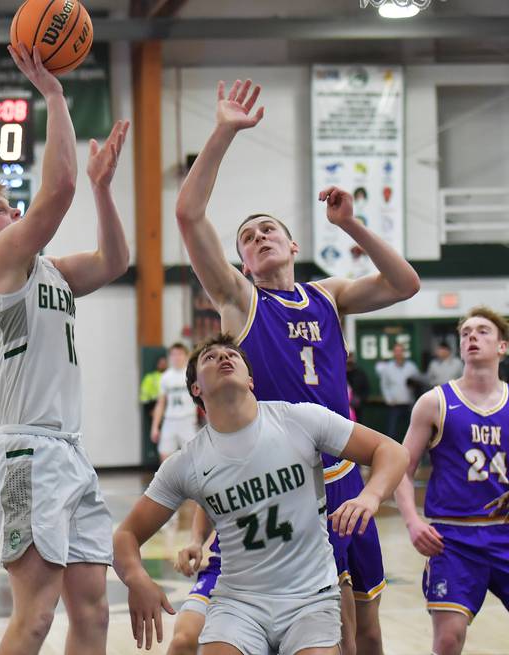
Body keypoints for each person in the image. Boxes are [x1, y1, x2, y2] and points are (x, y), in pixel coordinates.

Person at [172, 77, 420, 655]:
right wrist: (224, 132)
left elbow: (406, 284)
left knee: (371, 625)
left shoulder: (327, 293)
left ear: (290, 244)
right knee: (330, 630)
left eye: (269, 231)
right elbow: (187, 214)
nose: (259, 238)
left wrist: (352, 227)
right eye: (248, 238)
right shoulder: (241, 300)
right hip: (288, 476)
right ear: (243, 262)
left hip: (346, 467)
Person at [0, 43, 130, 655]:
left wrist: (103, 189)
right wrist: (52, 94)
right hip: (28, 454)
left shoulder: (49, 270)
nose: (13, 211)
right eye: (0, 210)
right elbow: (58, 186)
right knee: (37, 616)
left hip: (71, 452)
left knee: (94, 616)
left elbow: (115, 262)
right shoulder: (0, 265)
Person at [113, 334, 409, 654]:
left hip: (309, 598)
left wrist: (370, 495)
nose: (223, 358)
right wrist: (136, 578)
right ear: (196, 389)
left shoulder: (300, 419)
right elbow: (126, 534)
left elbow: (391, 451)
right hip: (239, 603)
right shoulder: (187, 462)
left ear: (250, 380)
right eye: (210, 358)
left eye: (232, 355)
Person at [394, 306, 509, 655]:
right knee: (447, 639)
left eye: (483, 331)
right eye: (466, 333)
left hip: (504, 530)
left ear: (502, 347)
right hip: (453, 537)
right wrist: (413, 522)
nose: (472, 336)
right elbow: (402, 466)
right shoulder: (435, 402)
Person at [151, 343, 197, 462]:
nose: (176, 357)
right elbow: (161, 403)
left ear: (186, 356)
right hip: (170, 420)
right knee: (165, 457)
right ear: (169, 357)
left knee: (193, 457)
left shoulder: (192, 374)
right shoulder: (165, 377)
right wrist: (155, 427)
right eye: (173, 354)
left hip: (188, 419)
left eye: (180, 354)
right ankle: (167, 481)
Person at [376, 343, 421, 440]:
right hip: (394, 405)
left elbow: (418, 382)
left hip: (410, 404)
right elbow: (384, 385)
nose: (398, 353)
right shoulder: (388, 367)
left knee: (413, 432)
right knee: (392, 432)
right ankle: (392, 454)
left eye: (400, 351)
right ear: (393, 353)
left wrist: (414, 385)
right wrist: (388, 399)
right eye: (396, 351)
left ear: (404, 352)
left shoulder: (411, 367)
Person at [347, 352, 371, 424]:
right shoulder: (338, 374)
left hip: (357, 409)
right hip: (342, 408)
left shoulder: (360, 373)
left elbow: (366, 389)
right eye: (347, 358)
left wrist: (360, 399)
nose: (349, 360)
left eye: (351, 357)